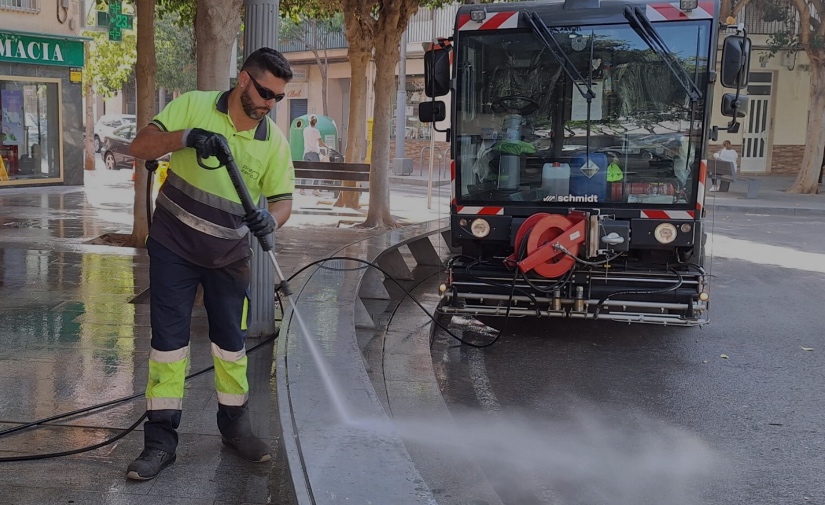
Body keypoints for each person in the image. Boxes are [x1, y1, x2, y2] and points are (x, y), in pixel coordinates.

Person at [125, 47, 294, 481]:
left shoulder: (272, 140)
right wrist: (185, 137)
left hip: (229, 258)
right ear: (243, 80)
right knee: (168, 346)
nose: (269, 104)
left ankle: (236, 429)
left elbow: (283, 201)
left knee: (231, 345)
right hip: (173, 248)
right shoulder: (193, 104)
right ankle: (160, 443)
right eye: (264, 92)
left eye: (276, 97)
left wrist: (268, 219)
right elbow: (140, 145)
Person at [301, 115, 329, 194]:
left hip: (306, 152)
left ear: (309, 121)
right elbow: (321, 143)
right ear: (316, 122)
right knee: (317, 171)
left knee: (304, 171)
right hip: (314, 153)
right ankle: (315, 189)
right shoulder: (316, 131)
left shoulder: (305, 130)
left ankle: (302, 189)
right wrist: (328, 147)